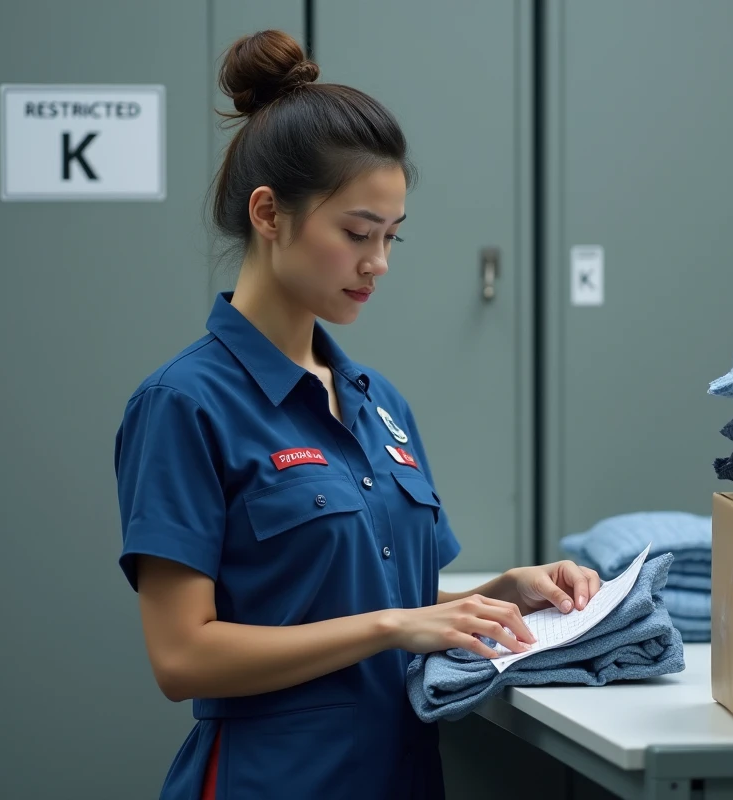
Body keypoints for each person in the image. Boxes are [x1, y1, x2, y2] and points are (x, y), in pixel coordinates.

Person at [113, 29, 601, 800]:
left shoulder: (380, 405)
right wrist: (394, 628)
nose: (379, 263)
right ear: (269, 214)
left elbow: (359, 592)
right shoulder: (184, 405)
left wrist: (503, 593)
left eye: (392, 237)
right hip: (273, 782)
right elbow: (183, 659)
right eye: (356, 234)